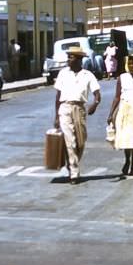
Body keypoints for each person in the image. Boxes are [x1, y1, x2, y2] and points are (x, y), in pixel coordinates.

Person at [54, 46, 101, 184]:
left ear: (79, 59)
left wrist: (94, 104)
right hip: (65, 107)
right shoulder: (63, 73)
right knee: (70, 140)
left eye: (71, 57)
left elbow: (97, 94)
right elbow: (57, 96)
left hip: (79, 109)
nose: (68, 59)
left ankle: (71, 162)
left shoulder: (88, 75)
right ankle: (74, 172)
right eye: (68, 56)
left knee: (80, 141)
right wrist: (56, 116)